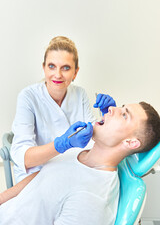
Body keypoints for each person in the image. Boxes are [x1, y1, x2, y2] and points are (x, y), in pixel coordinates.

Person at [0, 101, 160, 225]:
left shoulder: (92, 200)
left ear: (131, 143)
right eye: (121, 106)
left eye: (124, 115)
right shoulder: (80, 147)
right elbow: (39, 179)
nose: (112, 108)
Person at [10, 36, 116, 183]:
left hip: (73, 171)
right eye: (52, 66)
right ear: (44, 67)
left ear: (75, 72)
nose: (58, 74)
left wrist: (107, 118)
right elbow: (24, 158)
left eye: (66, 68)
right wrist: (62, 144)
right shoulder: (28, 97)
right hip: (37, 177)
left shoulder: (79, 94)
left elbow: (94, 139)